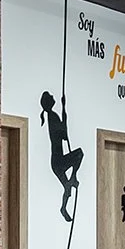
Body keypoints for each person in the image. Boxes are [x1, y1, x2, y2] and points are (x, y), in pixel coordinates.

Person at [40, 91, 84, 223]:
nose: (54, 98)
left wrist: (64, 108)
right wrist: (64, 107)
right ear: (49, 102)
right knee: (79, 153)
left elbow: (63, 134)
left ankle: (63, 208)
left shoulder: (51, 116)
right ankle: (74, 176)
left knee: (67, 187)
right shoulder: (52, 116)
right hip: (59, 161)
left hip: (55, 162)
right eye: (52, 97)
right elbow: (64, 134)